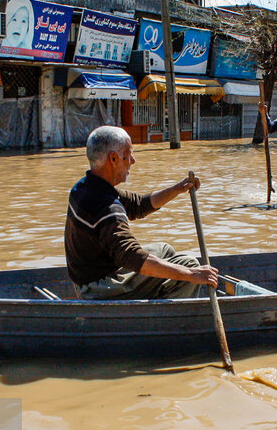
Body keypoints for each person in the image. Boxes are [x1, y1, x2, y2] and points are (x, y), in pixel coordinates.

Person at [64, 126, 218, 300]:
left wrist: (177, 189)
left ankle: (161, 294)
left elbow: (138, 205)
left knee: (165, 250)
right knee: (189, 265)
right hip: (98, 288)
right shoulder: (107, 208)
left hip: (91, 276)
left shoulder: (84, 187)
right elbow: (131, 256)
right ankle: (167, 318)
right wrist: (190, 274)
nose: (133, 160)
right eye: (128, 155)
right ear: (113, 158)